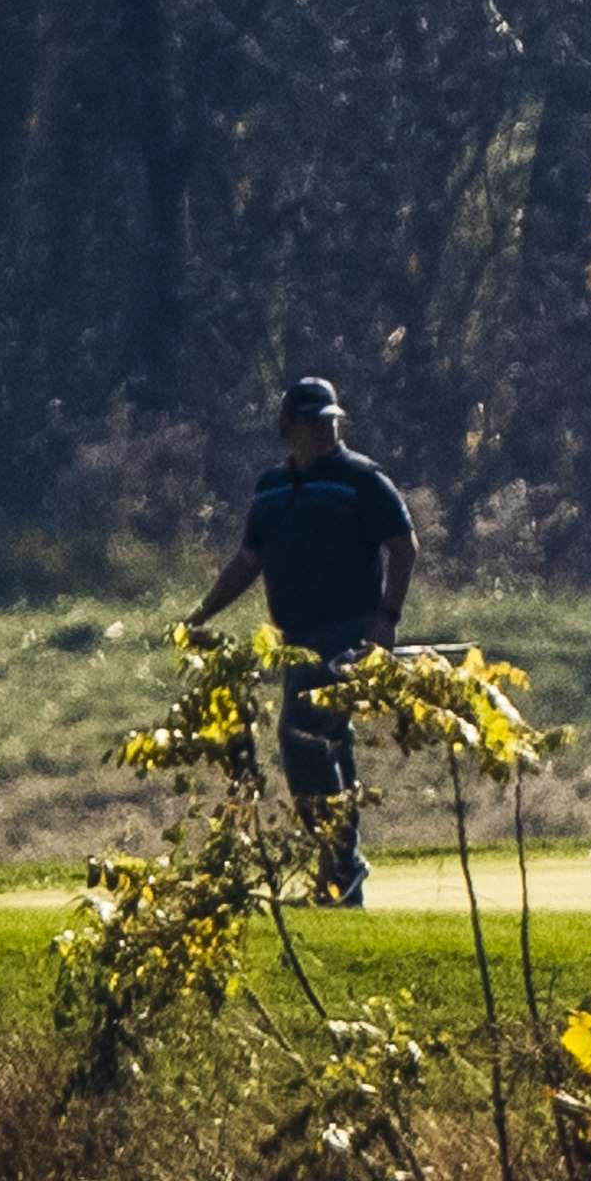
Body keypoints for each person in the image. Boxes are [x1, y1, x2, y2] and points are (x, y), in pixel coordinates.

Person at [184, 377, 416, 906]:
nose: (323, 429)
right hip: (296, 635)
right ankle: (342, 873)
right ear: (289, 427)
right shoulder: (270, 488)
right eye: (313, 420)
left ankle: (341, 868)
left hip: (346, 630)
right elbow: (248, 561)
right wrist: (202, 613)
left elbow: (403, 546)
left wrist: (387, 617)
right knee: (331, 746)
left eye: (330, 420)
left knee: (302, 738)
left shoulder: (361, 480)